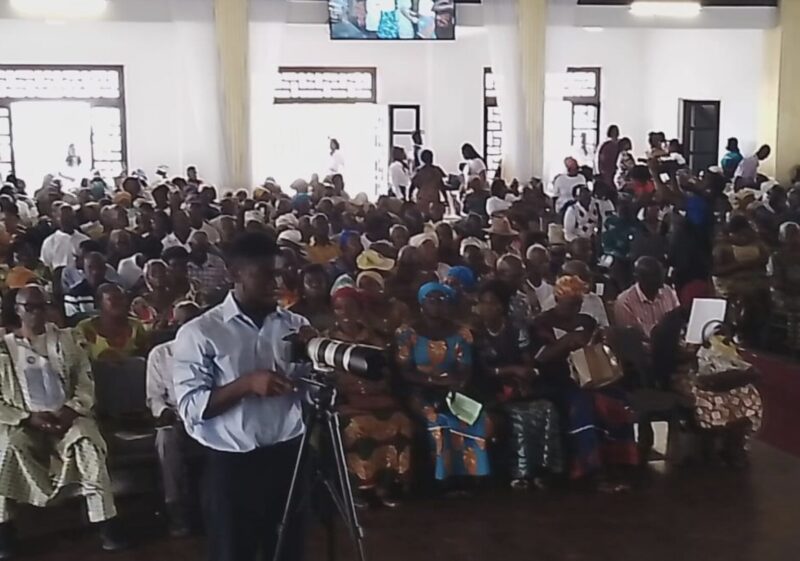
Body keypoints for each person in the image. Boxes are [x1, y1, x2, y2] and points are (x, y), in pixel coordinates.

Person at [173, 232, 313, 561]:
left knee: (289, 551)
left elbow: (309, 390)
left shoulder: (296, 325)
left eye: (280, 273)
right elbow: (190, 408)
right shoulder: (200, 333)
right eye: (266, 274)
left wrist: (317, 365)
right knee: (234, 552)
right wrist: (246, 384)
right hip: (233, 466)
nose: (277, 283)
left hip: (288, 458)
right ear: (234, 274)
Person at [0, 285, 126, 556]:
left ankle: (106, 523)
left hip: (68, 417)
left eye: (42, 306)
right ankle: (4, 531)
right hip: (26, 421)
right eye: (29, 308)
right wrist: (28, 418)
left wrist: (72, 409)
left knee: (88, 444)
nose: (36, 313)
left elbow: (84, 380)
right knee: (6, 449)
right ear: (17, 310)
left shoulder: (67, 339)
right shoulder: (4, 348)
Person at [530, 276, 638, 488]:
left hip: (589, 377)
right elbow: (539, 358)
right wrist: (566, 342)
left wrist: (603, 340)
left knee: (618, 398)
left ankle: (619, 462)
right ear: (557, 299)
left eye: (578, 304)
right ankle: (590, 468)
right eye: (570, 304)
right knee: (585, 405)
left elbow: (595, 348)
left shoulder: (586, 321)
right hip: (556, 380)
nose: (575, 309)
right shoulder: (541, 323)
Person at [395, 282, 491, 484]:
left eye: (442, 300)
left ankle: (469, 477)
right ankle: (442, 480)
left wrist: (456, 382)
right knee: (436, 419)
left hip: (452, 389)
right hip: (420, 389)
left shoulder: (462, 333)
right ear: (422, 303)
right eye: (431, 300)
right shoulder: (407, 333)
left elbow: (465, 368)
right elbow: (404, 371)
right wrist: (433, 380)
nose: (437, 304)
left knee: (473, 418)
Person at [325, 287, 413, 506]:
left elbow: (387, 371)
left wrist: (379, 385)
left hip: (377, 396)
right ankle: (363, 487)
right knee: (359, 426)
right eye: (339, 308)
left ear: (360, 309)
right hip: (346, 400)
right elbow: (325, 378)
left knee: (400, 422)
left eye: (351, 307)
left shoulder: (376, 338)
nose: (345, 312)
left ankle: (390, 484)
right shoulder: (327, 340)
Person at [473, 280, 563, 488]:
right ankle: (520, 473)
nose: (486, 308)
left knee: (546, 409)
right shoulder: (476, 333)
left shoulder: (516, 328)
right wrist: (511, 370)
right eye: (483, 303)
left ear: (502, 306)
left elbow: (526, 359)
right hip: (489, 387)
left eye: (492, 303)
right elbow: (482, 369)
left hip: (517, 384)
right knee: (519, 416)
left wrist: (526, 376)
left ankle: (544, 468)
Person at [146, 301, 202, 537]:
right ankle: (176, 508)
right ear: (174, 325)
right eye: (182, 323)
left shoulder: (211, 349)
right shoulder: (161, 354)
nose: (187, 328)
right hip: (176, 416)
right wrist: (164, 412)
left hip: (208, 413)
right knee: (166, 438)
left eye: (193, 322)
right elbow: (154, 397)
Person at [713, 215, 770, 344]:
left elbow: (765, 258)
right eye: (740, 234)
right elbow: (716, 271)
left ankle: (761, 331)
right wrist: (740, 266)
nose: (743, 237)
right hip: (731, 280)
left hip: (755, 278)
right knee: (748, 296)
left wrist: (757, 262)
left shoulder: (756, 242)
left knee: (764, 294)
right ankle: (742, 330)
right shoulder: (723, 247)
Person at [75, 283, 148, 362]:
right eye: (112, 298)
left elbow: (146, 355)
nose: (118, 302)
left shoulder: (135, 326)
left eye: (121, 298)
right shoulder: (85, 328)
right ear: (99, 303)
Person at [63, 251, 113, 322]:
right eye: (90, 267)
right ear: (83, 269)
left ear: (105, 269)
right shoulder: (73, 294)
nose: (95, 272)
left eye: (99, 267)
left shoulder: (115, 291)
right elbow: (72, 319)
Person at [40, 204, 89, 271]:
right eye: (64, 218)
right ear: (57, 219)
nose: (67, 221)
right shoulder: (49, 242)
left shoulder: (84, 240)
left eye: (70, 218)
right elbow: (46, 265)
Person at [290, 264, 335, 332]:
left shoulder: (337, 307)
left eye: (319, 281)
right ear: (302, 287)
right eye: (310, 282)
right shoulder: (293, 314)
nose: (315, 285)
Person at [187, 230, 229, 299]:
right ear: (191, 245)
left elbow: (227, 283)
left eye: (203, 246)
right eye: (198, 246)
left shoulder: (217, 262)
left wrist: (217, 292)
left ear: (208, 246)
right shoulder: (184, 264)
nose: (200, 251)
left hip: (215, 298)